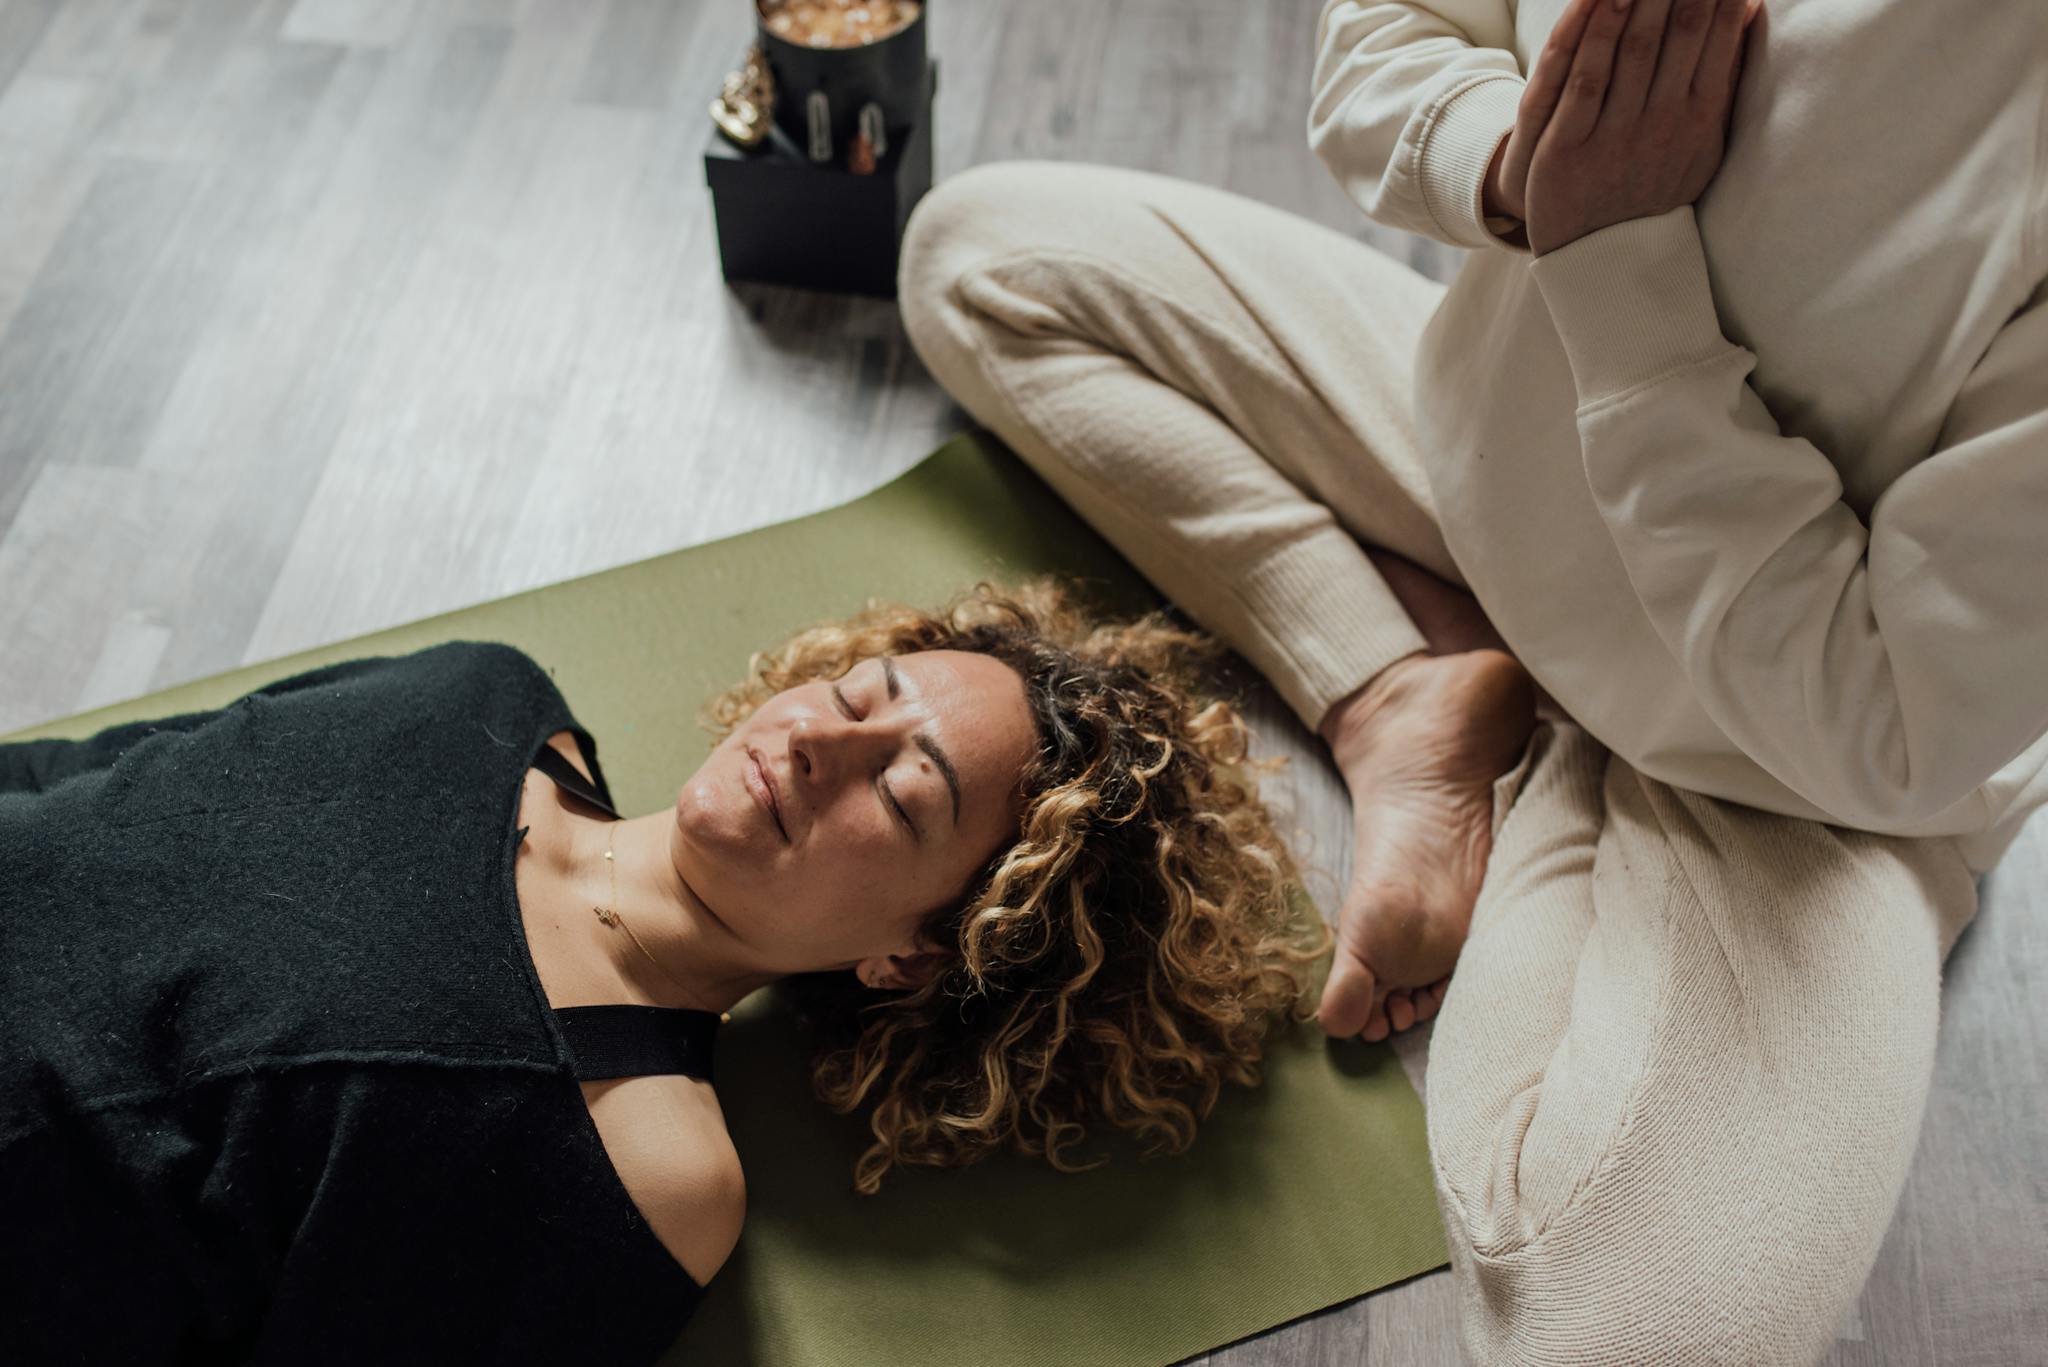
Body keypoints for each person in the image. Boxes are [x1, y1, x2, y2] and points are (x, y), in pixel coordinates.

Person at [896, 0, 2047, 1359]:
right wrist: (1522, 164)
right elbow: (1393, 33)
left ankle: (1569, 776)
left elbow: (1889, 725)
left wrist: (1620, 259)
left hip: (1796, 774)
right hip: (1494, 472)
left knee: (1617, 1341)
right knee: (980, 255)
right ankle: (1402, 695)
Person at [0, 577, 1336, 1364]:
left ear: (915, 956)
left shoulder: (647, 1167)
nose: (820, 742)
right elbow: (91, 773)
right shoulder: (477, 692)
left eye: (907, 789)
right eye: (864, 693)